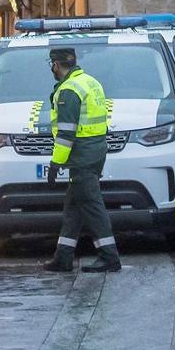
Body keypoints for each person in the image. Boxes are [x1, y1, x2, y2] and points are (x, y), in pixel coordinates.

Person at [42, 47, 120, 273]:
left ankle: (110, 256)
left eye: (52, 66)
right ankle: (63, 257)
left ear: (56, 65)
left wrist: (56, 164)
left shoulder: (68, 91)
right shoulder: (90, 82)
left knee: (92, 206)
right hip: (96, 150)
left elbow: (66, 135)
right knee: (74, 207)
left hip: (82, 156)